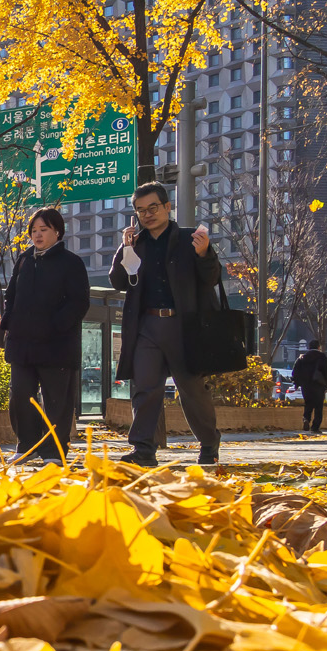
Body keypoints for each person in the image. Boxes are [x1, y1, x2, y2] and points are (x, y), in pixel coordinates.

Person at [108, 182, 224, 467]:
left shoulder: (189, 239)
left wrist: (204, 253)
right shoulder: (136, 244)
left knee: (192, 389)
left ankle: (209, 443)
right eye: (141, 210)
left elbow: (212, 278)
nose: (147, 215)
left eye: (153, 208)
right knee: (145, 389)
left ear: (167, 207)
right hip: (146, 326)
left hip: (184, 326)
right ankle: (143, 449)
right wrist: (124, 249)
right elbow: (118, 282)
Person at [0, 207, 90, 464]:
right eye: (34, 230)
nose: (37, 235)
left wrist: (56, 325)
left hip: (56, 346)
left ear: (57, 232)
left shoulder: (71, 262)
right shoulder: (24, 260)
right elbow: (11, 295)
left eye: (44, 229)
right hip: (22, 344)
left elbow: (79, 302)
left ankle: (53, 452)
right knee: (21, 396)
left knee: (56, 402)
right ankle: (26, 446)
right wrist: (9, 322)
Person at [292, 339, 327, 433]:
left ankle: (306, 418)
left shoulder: (302, 358)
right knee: (318, 406)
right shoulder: (322, 357)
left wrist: (297, 384)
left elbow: (295, 372)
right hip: (318, 385)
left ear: (308, 347)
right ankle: (315, 427)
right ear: (318, 347)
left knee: (308, 404)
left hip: (306, 386)